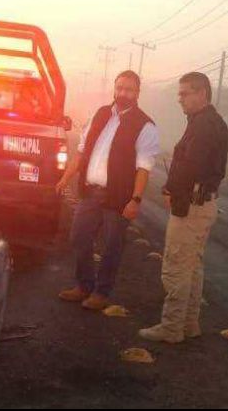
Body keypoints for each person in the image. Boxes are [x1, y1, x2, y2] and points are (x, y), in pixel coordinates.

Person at [56, 70, 160, 311]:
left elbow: (144, 167)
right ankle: (84, 285)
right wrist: (65, 178)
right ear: (114, 88)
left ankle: (101, 293)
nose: (123, 93)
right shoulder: (100, 114)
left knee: (112, 246)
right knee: (79, 237)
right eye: (120, 87)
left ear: (137, 93)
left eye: (129, 89)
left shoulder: (145, 125)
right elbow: (82, 151)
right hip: (90, 193)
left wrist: (135, 200)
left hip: (118, 197)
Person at [139, 72, 228, 343]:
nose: (180, 99)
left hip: (192, 205)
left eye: (184, 93)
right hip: (202, 203)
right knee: (192, 267)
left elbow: (189, 166)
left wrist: (170, 189)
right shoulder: (209, 122)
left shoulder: (203, 126)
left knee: (177, 267)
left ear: (202, 93)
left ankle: (171, 327)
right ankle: (188, 324)